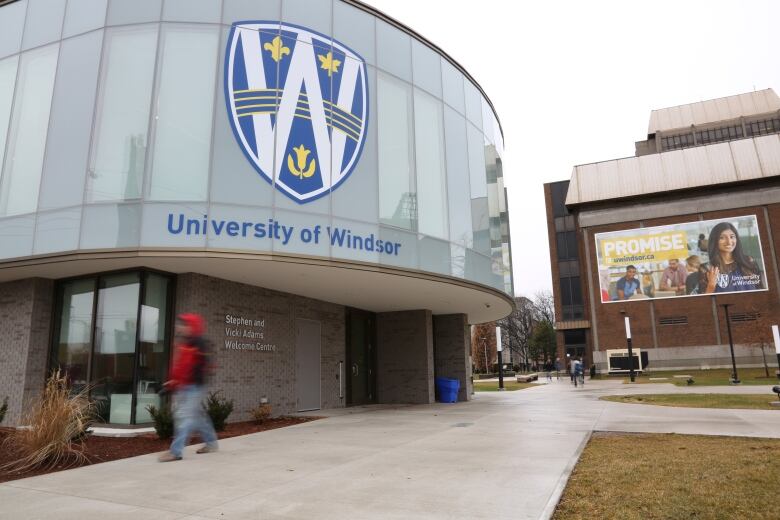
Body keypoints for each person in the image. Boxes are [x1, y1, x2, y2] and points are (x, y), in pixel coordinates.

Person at [159, 313, 218, 462]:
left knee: (184, 417)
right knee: (198, 417)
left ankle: (176, 452)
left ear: (192, 326)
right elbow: (182, 367)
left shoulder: (199, 344)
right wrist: (173, 382)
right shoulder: (186, 343)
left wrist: (190, 380)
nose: (179, 327)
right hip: (186, 386)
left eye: (184, 324)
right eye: (180, 324)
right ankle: (211, 443)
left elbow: (201, 367)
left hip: (195, 386)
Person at [702, 222, 763, 294]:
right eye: (722, 238)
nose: (729, 242)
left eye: (732, 237)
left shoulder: (749, 261)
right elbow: (703, 302)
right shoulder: (707, 268)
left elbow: (761, 289)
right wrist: (711, 286)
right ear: (714, 241)